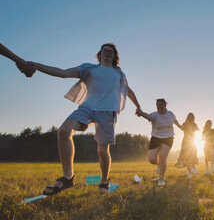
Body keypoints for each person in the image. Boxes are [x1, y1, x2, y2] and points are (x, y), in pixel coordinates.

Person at [16, 42, 142, 194]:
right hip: (88, 108)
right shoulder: (89, 69)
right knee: (63, 131)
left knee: (102, 150)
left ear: (115, 56)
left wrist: (138, 106)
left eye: (111, 51)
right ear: (100, 54)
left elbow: (128, 91)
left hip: (107, 112)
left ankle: (103, 181)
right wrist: (37, 65)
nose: (107, 53)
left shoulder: (119, 74)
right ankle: (68, 177)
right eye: (104, 50)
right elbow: (63, 73)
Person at [138, 98, 183, 186]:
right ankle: (159, 166)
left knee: (162, 159)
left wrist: (180, 126)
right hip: (156, 138)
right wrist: (141, 113)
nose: (160, 106)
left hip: (168, 138)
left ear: (165, 105)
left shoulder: (170, 114)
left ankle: (161, 179)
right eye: (158, 105)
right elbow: (148, 116)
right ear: (156, 106)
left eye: (162, 104)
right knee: (152, 159)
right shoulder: (154, 115)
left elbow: (175, 120)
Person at [175, 113, 199, 179]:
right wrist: (178, 124)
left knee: (193, 154)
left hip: (192, 141)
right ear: (187, 118)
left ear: (193, 118)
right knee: (187, 157)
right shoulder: (184, 124)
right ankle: (190, 173)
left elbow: (197, 129)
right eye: (189, 117)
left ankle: (193, 166)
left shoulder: (194, 124)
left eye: (192, 117)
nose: (191, 118)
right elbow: (182, 128)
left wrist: (193, 127)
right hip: (186, 141)